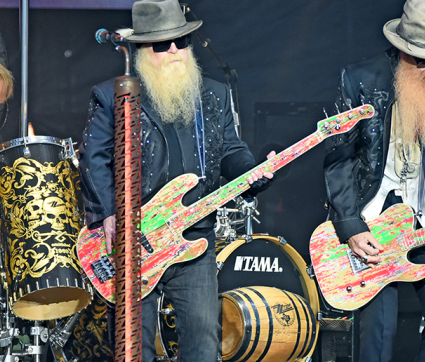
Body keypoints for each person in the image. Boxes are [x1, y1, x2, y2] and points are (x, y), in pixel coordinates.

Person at [78, 0, 273, 360]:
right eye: (162, 44)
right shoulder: (113, 96)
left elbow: (231, 149)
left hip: (193, 234)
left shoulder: (213, 93)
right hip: (136, 237)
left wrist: (252, 170)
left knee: (203, 337)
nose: (174, 51)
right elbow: (94, 159)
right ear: (140, 50)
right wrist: (108, 214)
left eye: (181, 42)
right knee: (135, 343)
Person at [323, 0, 425, 361]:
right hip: (371, 224)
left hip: (424, 219)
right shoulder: (360, 79)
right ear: (403, 52)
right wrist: (350, 225)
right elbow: (338, 159)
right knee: (379, 330)